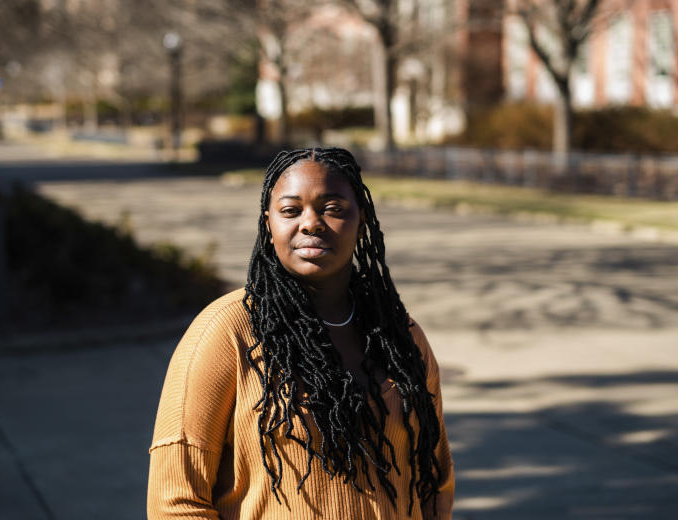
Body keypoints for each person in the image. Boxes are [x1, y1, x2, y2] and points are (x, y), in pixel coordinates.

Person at [148, 147, 455, 519]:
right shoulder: (226, 331)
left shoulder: (399, 335)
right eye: (291, 211)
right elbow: (175, 502)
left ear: (362, 221)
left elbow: (434, 481)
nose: (311, 223)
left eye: (334, 209)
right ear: (268, 224)